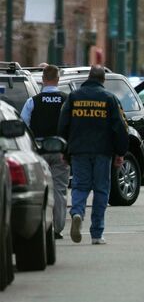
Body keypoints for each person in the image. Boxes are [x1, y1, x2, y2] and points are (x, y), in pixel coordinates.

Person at [58, 65, 128, 244]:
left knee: (80, 187)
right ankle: (97, 233)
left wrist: (63, 150)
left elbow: (63, 125)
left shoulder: (74, 97)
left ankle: (77, 213)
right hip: (102, 152)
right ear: (103, 79)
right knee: (101, 190)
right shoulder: (109, 98)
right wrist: (120, 152)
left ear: (89, 77)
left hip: (79, 151)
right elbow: (119, 127)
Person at [20, 64, 69, 239]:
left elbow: (23, 126)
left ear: (43, 79)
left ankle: (40, 227)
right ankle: (57, 228)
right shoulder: (66, 100)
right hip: (61, 151)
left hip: (38, 151)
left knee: (39, 190)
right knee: (59, 190)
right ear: (57, 79)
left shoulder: (33, 101)